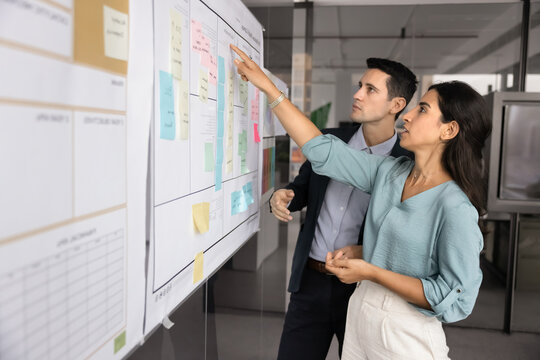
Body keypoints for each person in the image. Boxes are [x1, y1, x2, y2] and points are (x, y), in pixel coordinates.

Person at [231, 44, 491, 359]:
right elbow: (323, 152)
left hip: (405, 334)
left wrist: (370, 269)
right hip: (362, 316)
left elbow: (456, 299)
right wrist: (269, 89)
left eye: (422, 109)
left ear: (448, 130)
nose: (407, 116)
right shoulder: (390, 173)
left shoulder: (456, 207)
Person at [269, 57, 416, 359]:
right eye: (359, 86)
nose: (357, 94)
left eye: (370, 89)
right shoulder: (329, 141)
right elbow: (303, 187)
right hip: (309, 282)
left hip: (363, 288)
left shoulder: (407, 164)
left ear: (396, 104)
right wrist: (285, 195)